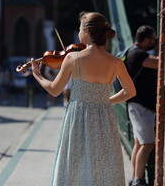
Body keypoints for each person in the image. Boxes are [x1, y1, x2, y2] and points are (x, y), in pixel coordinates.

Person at [30, 12, 136, 186]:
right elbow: (130, 91)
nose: (79, 32)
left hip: (77, 118)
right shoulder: (116, 62)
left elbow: (55, 90)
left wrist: (37, 74)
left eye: (80, 28)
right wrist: (105, 101)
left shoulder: (73, 58)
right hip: (104, 119)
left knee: (75, 165)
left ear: (86, 31)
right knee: (104, 164)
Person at [124, 25, 158, 186]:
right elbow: (158, 63)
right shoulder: (136, 54)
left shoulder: (133, 52)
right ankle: (138, 179)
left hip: (139, 106)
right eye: (153, 39)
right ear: (145, 40)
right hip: (140, 107)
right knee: (147, 143)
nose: (155, 42)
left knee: (139, 143)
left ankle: (134, 178)